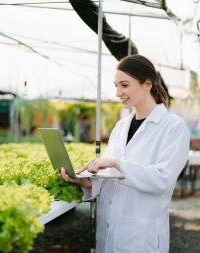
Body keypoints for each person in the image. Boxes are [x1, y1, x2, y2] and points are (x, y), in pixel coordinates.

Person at [60, 54, 190, 253]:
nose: (118, 92)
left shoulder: (173, 127)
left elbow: (162, 180)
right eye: (116, 86)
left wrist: (116, 163)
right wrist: (88, 182)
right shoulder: (121, 126)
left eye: (125, 85)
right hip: (110, 230)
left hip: (141, 236)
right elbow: (109, 178)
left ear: (147, 83)